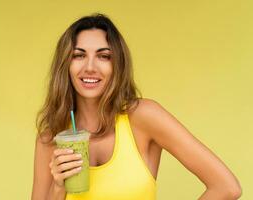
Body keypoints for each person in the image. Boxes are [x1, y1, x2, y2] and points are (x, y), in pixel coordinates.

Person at [31, 13, 242, 200]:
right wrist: (58, 187)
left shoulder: (143, 117)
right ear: (65, 65)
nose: (90, 67)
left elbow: (227, 187)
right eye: (79, 55)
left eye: (104, 56)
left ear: (117, 65)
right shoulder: (51, 136)